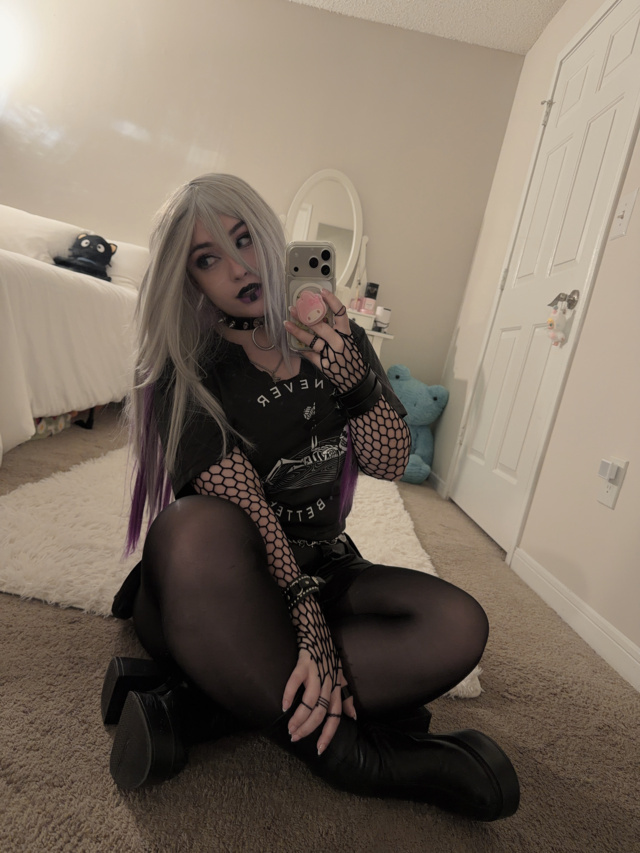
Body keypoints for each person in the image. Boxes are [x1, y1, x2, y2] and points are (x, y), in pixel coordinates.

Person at [102, 173, 520, 821]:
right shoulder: (189, 371)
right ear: (190, 280)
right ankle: (364, 758)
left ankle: (195, 708)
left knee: (457, 623)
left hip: (325, 564)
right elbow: (248, 509)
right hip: (216, 587)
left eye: (245, 239)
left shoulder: (337, 339)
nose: (238, 267)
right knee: (196, 525)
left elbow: (388, 460)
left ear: (275, 239)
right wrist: (307, 619)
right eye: (208, 259)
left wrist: (352, 377)